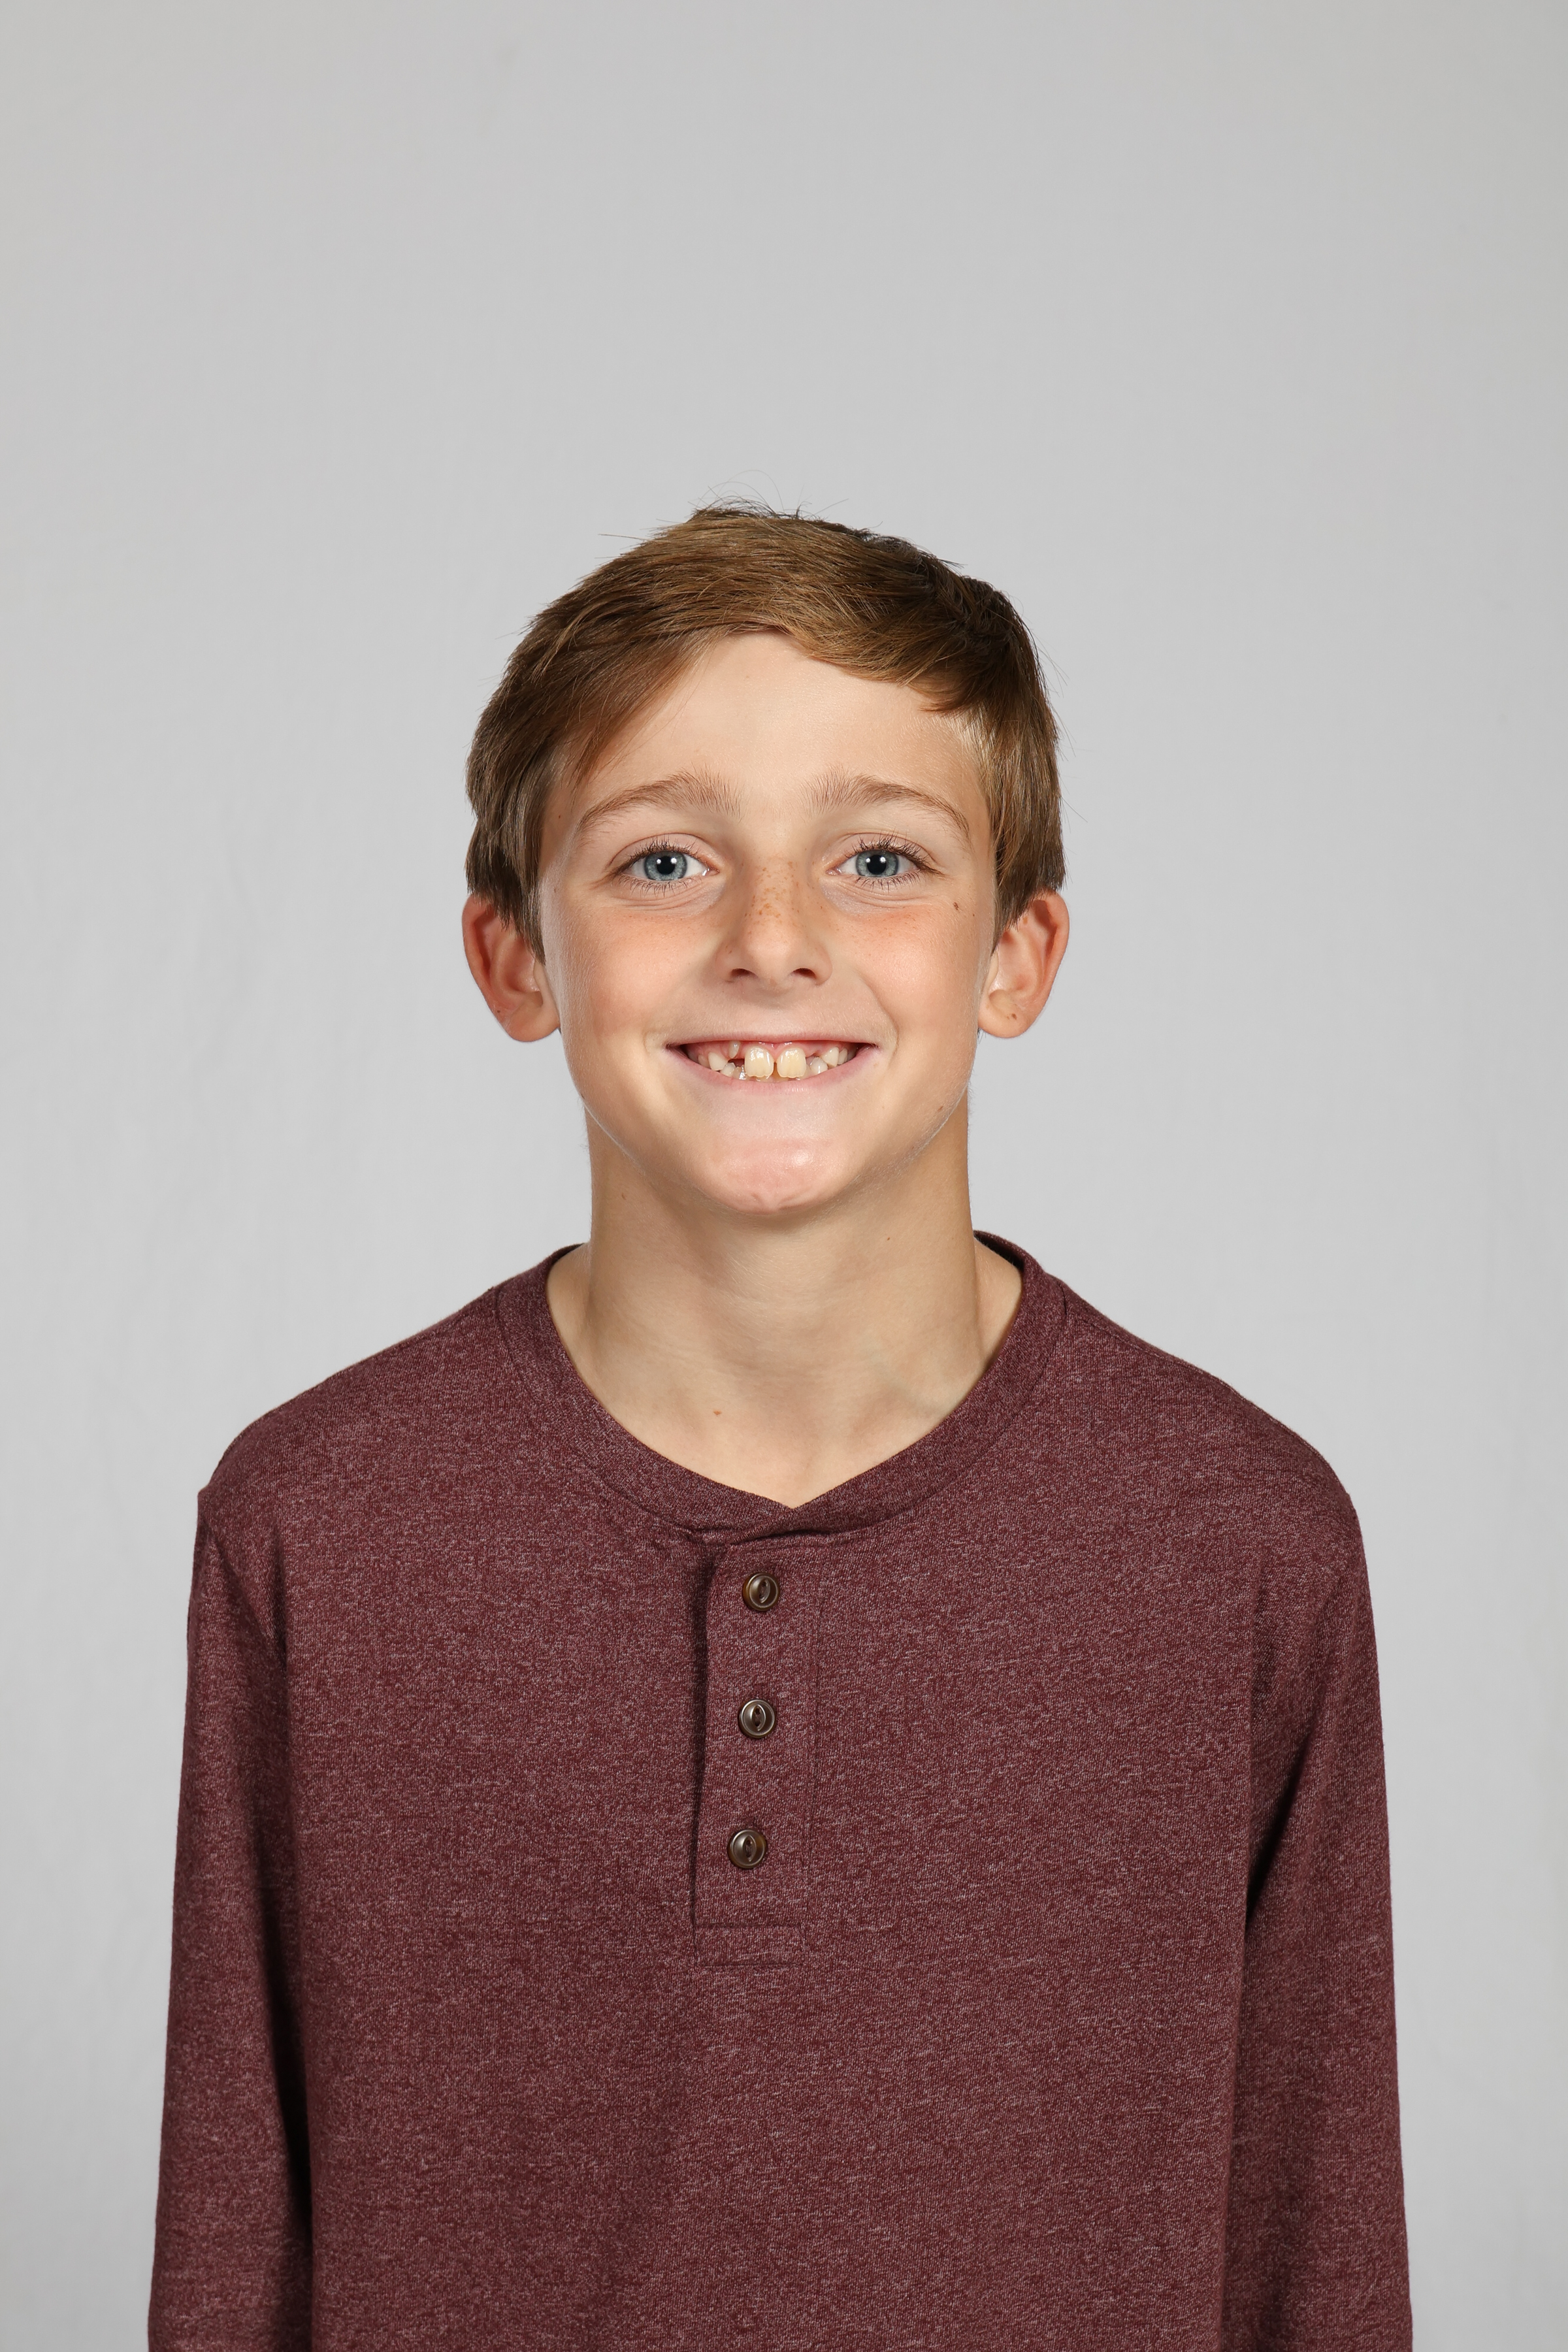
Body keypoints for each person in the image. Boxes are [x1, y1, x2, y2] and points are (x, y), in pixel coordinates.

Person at [149, 507, 1411, 2349]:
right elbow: (232, 2259)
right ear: (514, 957)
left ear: (1018, 953)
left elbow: (1316, 2260)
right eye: (663, 860)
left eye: (879, 859)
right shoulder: (319, 1524)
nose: (771, 943)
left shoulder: (1240, 1541)